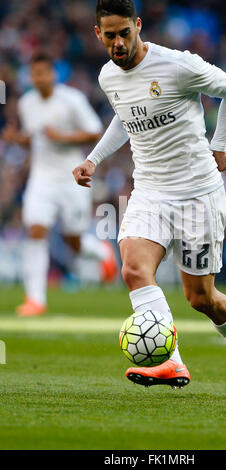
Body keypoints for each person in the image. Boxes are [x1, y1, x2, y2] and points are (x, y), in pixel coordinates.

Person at [73, 0, 226, 399]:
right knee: (133, 269)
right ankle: (172, 359)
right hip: (150, 192)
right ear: (98, 35)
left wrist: (220, 145)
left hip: (197, 193)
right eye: (110, 36)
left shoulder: (177, 65)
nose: (119, 43)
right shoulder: (109, 76)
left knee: (202, 299)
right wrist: (94, 159)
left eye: (126, 32)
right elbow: (126, 118)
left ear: (138, 26)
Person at [2, 53, 119, 317]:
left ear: (54, 74)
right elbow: (34, 139)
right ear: (31, 76)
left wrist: (62, 137)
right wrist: (17, 139)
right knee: (35, 230)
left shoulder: (72, 99)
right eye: (35, 73)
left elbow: (94, 131)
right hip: (41, 178)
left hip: (71, 177)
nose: (39, 78)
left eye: (44, 72)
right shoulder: (27, 103)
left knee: (73, 241)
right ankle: (35, 299)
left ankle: (101, 253)